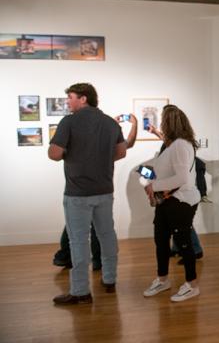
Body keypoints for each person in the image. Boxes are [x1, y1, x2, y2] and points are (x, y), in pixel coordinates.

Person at [48, 83, 128, 305]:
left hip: (78, 193)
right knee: (107, 235)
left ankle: (81, 291)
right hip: (104, 190)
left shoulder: (69, 122)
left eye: (70, 98)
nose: (68, 102)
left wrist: (73, 155)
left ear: (83, 99)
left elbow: (54, 154)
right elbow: (121, 152)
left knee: (78, 242)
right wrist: (99, 160)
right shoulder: (111, 123)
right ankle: (110, 279)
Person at [52, 114, 138, 271]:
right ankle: (86, 260)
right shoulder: (106, 139)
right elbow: (127, 145)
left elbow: (55, 154)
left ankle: (67, 257)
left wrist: (131, 126)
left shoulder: (83, 137)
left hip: (82, 190)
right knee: (98, 228)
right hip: (99, 189)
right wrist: (132, 125)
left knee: (79, 227)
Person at [142, 105, 201, 302]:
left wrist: (154, 185)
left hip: (181, 202)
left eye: (163, 121)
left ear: (170, 123)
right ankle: (162, 279)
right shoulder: (174, 144)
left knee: (184, 243)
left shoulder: (181, 145)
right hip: (168, 201)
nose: (161, 124)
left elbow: (182, 178)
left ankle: (192, 285)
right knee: (161, 240)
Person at [148, 123, 207, 262]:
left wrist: (159, 185)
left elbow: (181, 177)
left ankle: (195, 251)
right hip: (178, 191)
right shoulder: (177, 143)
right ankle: (177, 249)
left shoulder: (180, 146)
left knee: (183, 223)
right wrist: (155, 132)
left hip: (184, 192)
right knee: (175, 222)